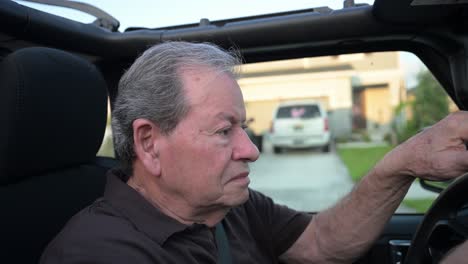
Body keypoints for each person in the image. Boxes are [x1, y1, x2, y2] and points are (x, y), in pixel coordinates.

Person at [41, 41, 468, 263]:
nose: (250, 150)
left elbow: (321, 243)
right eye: (225, 130)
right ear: (150, 144)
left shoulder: (228, 206)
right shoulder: (98, 253)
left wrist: (407, 161)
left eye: (244, 128)